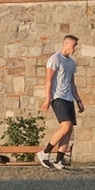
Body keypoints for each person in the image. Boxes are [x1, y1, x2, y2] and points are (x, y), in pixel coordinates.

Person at [40, 34, 82, 168]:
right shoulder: (55, 59)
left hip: (68, 98)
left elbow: (72, 83)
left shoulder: (71, 63)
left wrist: (78, 100)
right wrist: (47, 99)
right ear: (66, 44)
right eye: (73, 45)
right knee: (66, 126)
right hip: (58, 97)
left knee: (69, 131)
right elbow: (48, 80)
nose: (75, 48)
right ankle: (44, 153)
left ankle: (58, 160)